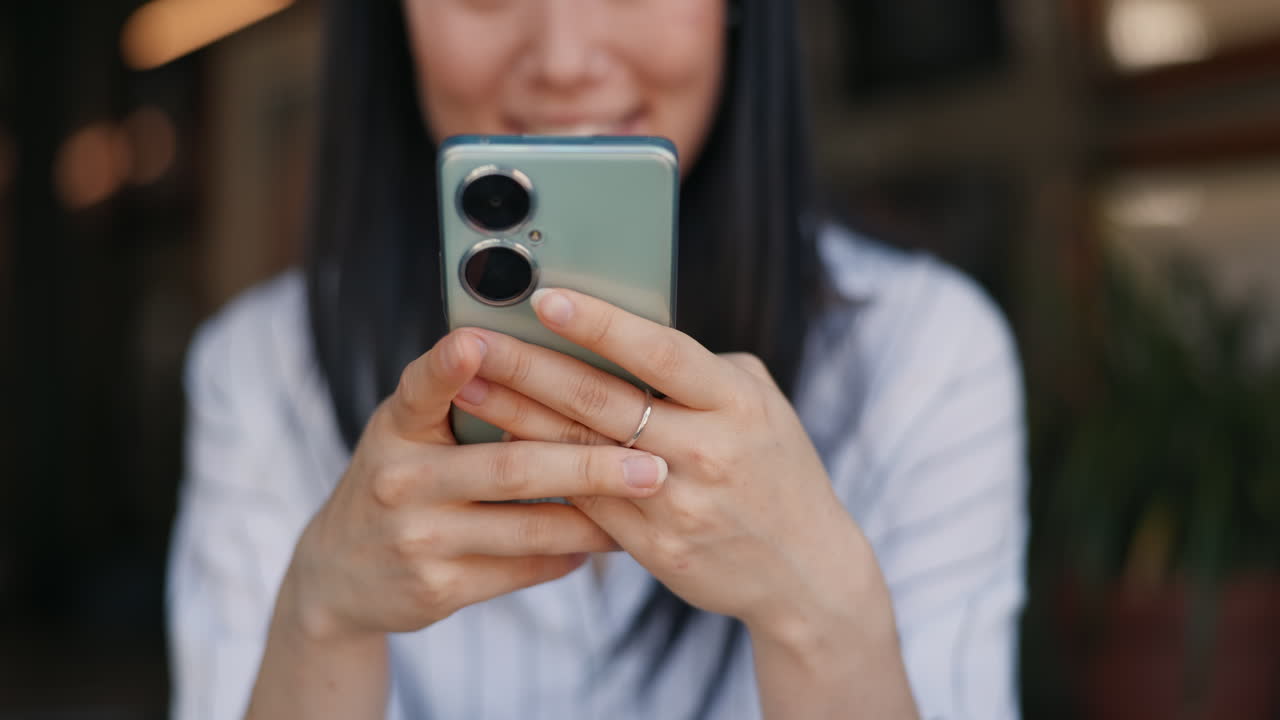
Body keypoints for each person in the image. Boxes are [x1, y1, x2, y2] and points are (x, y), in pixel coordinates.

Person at [167, 1, 1027, 718]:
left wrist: (821, 611)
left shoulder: (928, 356)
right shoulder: (262, 371)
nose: (565, 59)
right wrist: (322, 615)